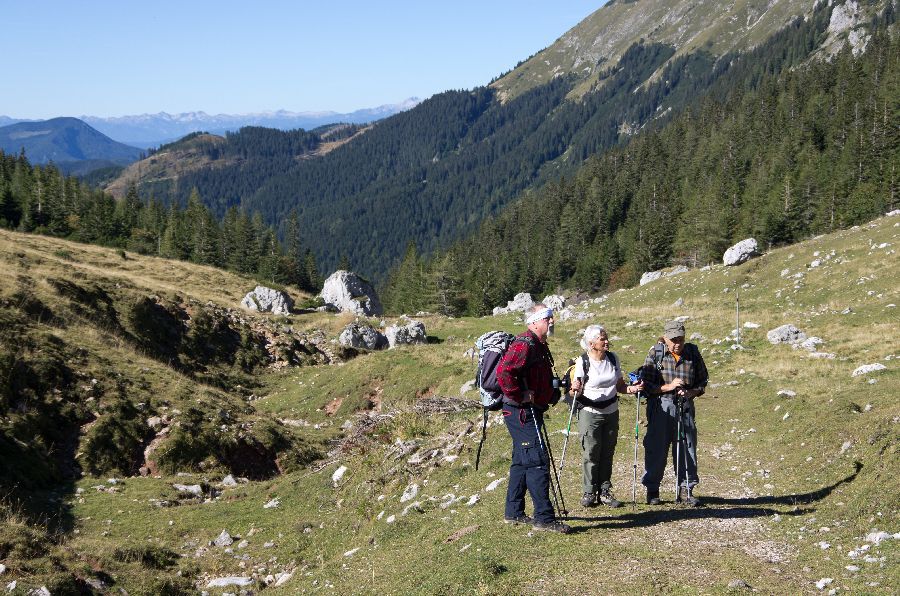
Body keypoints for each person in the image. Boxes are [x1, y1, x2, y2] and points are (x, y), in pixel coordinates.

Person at [495, 303, 570, 533]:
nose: (552, 321)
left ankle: (514, 512)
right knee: (537, 460)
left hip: (525, 409)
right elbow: (504, 372)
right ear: (535, 321)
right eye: (548, 318)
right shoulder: (524, 344)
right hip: (520, 411)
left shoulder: (538, 344)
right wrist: (519, 394)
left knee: (521, 460)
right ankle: (544, 518)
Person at [569, 324, 643, 508]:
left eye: (606, 337)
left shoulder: (612, 358)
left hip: (611, 411)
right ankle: (589, 491)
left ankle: (604, 491)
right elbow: (573, 392)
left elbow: (619, 386)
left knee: (608, 452)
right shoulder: (582, 362)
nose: (606, 341)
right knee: (591, 452)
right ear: (591, 343)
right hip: (590, 413)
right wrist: (574, 390)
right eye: (602, 339)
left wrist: (632, 389)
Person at [640, 320, 709, 506]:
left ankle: (686, 489)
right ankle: (652, 490)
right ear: (666, 338)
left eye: (680, 339)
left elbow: (703, 381)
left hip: (685, 405)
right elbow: (645, 385)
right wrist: (668, 387)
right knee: (657, 448)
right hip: (660, 406)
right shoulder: (656, 353)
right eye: (673, 340)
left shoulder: (692, 353)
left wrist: (691, 392)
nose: (677, 343)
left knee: (686, 447)